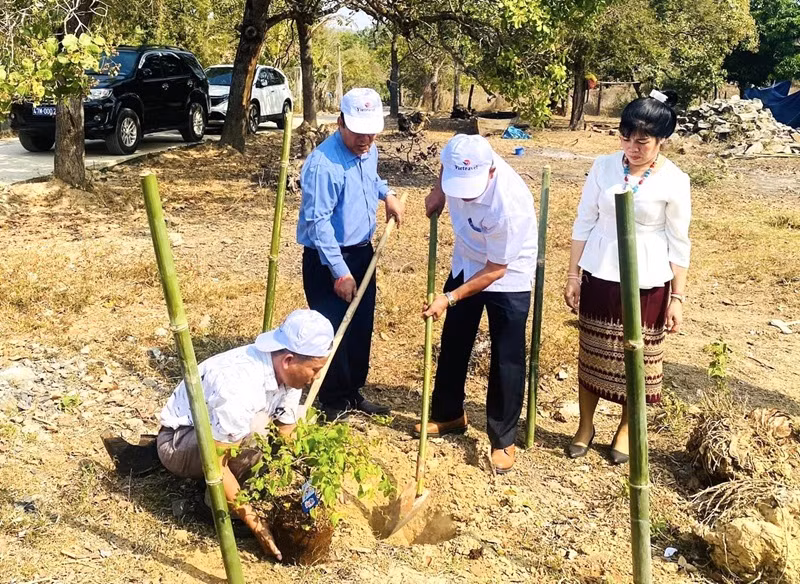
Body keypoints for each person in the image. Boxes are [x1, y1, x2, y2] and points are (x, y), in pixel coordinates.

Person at [564, 89, 691, 464]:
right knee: (592, 353)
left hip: (648, 279)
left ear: (661, 142)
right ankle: (585, 425)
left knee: (638, 358)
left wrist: (677, 297)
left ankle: (625, 427)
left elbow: (679, 241)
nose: (632, 148)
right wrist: (573, 273)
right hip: (601, 272)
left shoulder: (674, 180)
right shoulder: (604, 167)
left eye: (642, 141)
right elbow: (584, 220)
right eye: (626, 138)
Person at [156, 309, 334, 561]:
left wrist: (307, 478)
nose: (316, 377)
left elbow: (286, 431)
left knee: (305, 416)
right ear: (289, 360)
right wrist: (255, 523)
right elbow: (216, 466)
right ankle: (211, 506)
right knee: (258, 429)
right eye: (314, 370)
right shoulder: (240, 384)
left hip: (216, 435)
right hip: (179, 442)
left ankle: (237, 487)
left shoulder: (288, 375)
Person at [415, 134, 538, 474]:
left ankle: (503, 439)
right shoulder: (458, 157)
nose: (464, 194)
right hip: (467, 259)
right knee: (455, 339)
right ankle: (449, 414)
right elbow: (445, 166)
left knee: (506, 355)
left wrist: (449, 298)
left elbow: (496, 269)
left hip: (506, 271)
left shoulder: (508, 204)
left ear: (491, 172)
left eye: (469, 187)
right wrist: (440, 191)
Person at [297, 87, 404, 421]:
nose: (366, 139)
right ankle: (330, 400)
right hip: (328, 259)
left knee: (360, 326)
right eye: (358, 132)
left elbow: (370, 180)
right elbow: (318, 224)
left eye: (371, 132)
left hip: (362, 253)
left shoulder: (368, 150)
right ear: (340, 122)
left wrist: (387, 195)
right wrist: (339, 272)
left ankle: (352, 392)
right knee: (333, 330)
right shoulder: (323, 165)